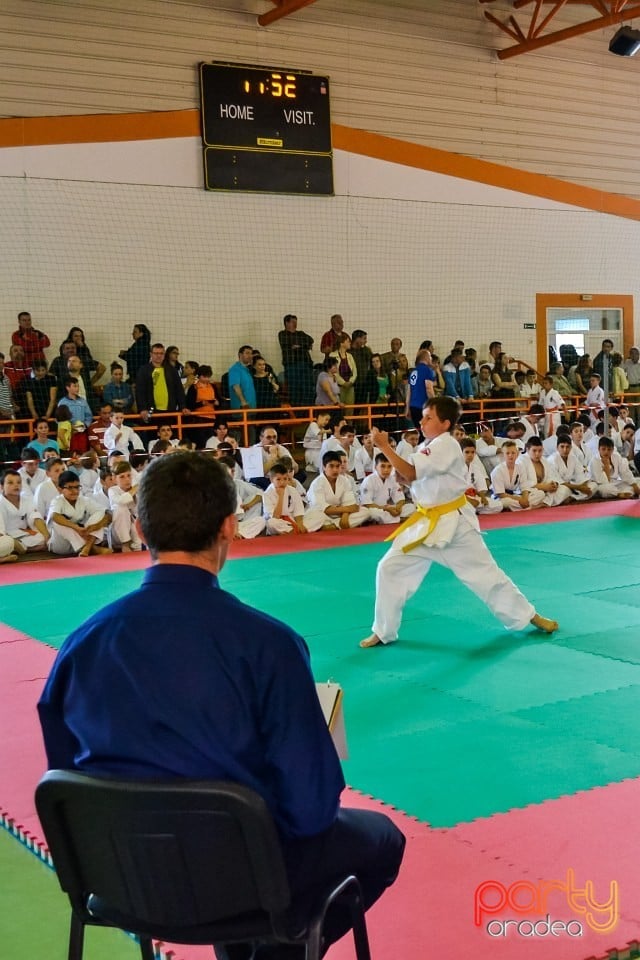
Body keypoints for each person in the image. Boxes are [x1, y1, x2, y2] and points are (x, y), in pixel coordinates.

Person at [37, 451, 405, 958]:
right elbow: (311, 808)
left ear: (141, 531)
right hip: (243, 878)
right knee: (381, 840)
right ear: (230, 527)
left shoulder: (81, 645)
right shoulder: (269, 645)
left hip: (120, 875)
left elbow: (65, 778)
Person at [359, 397, 558, 648]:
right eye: (422, 416)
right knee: (388, 568)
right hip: (426, 523)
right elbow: (414, 477)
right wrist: (407, 481)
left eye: (428, 417)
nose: (421, 420)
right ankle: (383, 631)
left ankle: (529, 616)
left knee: (486, 574)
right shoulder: (427, 446)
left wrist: (384, 446)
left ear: (445, 423)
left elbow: (411, 472)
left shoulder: (447, 444)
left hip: (455, 527)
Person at [46, 470, 112, 557]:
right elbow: (54, 516)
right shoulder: (57, 501)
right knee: (57, 522)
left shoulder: (84, 500)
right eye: (70, 487)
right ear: (60, 489)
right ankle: (92, 548)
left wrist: (96, 526)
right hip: (61, 546)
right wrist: (76, 528)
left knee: (100, 513)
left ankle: (87, 548)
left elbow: (108, 514)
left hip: (83, 537)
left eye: (77, 487)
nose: (74, 491)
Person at [307, 451, 370, 529]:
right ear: (324, 466)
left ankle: (333, 526)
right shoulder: (317, 483)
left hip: (339, 514)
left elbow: (351, 505)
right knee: (315, 516)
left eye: (338, 466)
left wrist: (345, 516)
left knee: (365, 511)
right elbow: (324, 509)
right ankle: (337, 525)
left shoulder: (344, 480)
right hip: (322, 514)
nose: (335, 470)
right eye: (331, 466)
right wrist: (346, 510)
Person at [136, 343, 188, 425]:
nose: (158, 356)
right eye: (156, 353)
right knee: (152, 434)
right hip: (151, 409)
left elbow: (179, 389)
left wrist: (182, 406)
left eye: (161, 353)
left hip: (170, 409)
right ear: (151, 354)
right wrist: (142, 408)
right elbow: (140, 391)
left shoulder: (172, 370)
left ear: (164, 355)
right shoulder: (144, 370)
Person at [406, 349, 436, 430]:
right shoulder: (427, 370)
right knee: (426, 434)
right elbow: (429, 389)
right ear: (425, 357)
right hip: (423, 407)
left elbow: (409, 393)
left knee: (419, 432)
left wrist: (407, 408)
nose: (431, 358)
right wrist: (435, 404)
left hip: (413, 407)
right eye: (430, 356)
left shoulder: (413, 372)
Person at [228, 345, 257, 412]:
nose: (250, 356)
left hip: (252, 407)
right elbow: (236, 386)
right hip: (242, 408)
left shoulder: (247, 370)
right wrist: (243, 402)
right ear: (240, 354)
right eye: (247, 353)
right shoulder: (235, 369)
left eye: (251, 353)